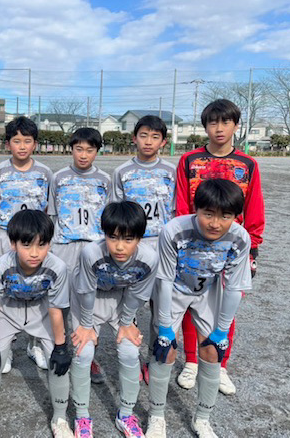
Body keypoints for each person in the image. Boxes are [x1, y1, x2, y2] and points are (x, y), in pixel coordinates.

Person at [146, 179, 252, 438]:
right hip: (174, 289)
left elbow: (234, 287)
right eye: (208, 214)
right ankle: (156, 416)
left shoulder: (240, 238)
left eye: (225, 216)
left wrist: (222, 331)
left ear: (235, 216)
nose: (215, 223)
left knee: (213, 351)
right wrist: (165, 326)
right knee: (165, 350)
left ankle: (202, 419)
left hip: (207, 291)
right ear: (196, 209)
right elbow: (164, 280)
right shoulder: (174, 230)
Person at [175, 99, 265, 395]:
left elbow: (253, 206)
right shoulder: (189, 160)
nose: (219, 128)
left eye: (226, 122)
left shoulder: (248, 165)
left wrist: (252, 247)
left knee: (228, 304)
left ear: (236, 125)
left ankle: (220, 364)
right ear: (205, 127)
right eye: (213, 122)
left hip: (231, 248)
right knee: (192, 300)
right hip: (194, 244)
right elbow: (182, 204)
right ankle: (192, 361)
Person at [0, 210, 73, 438]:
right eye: (27, 245)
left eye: (42, 245)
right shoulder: (1, 266)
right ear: (13, 244)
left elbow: (56, 309)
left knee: (57, 362)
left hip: (42, 311)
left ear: (50, 244)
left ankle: (60, 418)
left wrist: (60, 346)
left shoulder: (58, 267)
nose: (35, 253)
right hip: (9, 311)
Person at [70, 201, 158, 438]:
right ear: (104, 234)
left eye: (128, 239)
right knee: (83, 352)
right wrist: (86, 326)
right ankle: (81, 416)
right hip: (88, 299)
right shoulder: (91, 253)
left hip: (121, 298)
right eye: (113, 237)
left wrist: (127, 322)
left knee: (129, 352)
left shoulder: (149, 258)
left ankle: (126, 414)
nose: (119, 246)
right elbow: (86, 291)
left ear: (139, 238)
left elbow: (138, 294)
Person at [0, 115, 53, 372]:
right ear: (7, 144)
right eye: (16, 141)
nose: (22, 146)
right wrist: (0, 221)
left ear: (35, 144)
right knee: (4, 288)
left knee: (37, 288)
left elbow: (49, 207)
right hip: (3, 239)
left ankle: (34, 344)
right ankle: (6, 345)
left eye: (27, 141)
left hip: (34, 241)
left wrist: (38, 232)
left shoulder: (45, 173)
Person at [111, 115, 176, 384]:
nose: (148, 141)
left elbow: (177, 210)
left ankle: (154, 358)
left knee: (160, 305)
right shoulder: (122, 172)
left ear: (163, 142)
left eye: (155, 137)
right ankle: (132, 358)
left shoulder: (171, 171)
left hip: (163, 246)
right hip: (133, 246)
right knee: (130, 303)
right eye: (143, 135)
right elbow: (116, 212)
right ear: (134, 138)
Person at [49, 127, 112, 384]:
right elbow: (51, 215)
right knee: (60, 301)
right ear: (71, 149)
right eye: (78, 149)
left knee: (89, 303)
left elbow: (110, 218)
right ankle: (59, 348)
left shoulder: (105, 180)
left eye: (89, 150)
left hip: (94, 248)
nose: (83, 155)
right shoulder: (58, 178)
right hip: (63, 246)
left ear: (97, 151)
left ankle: (88, 354)